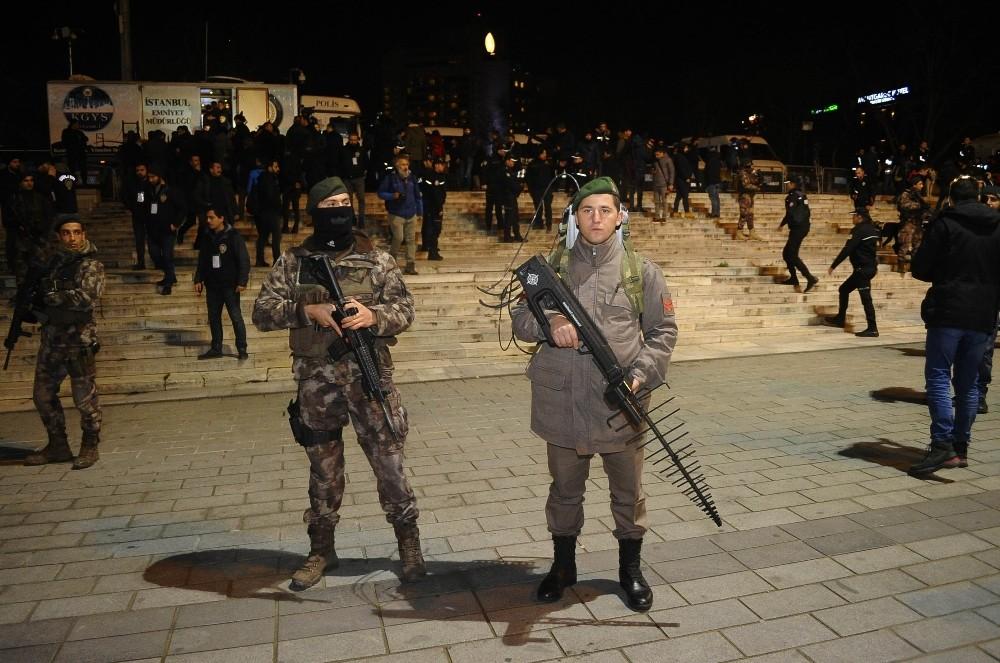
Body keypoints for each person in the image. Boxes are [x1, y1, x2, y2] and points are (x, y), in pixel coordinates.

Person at [511, 177, 678, 612]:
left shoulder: (642, 272)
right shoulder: (551, 268)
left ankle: (630, 569)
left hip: (620, 406)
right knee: (564, 491)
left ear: (621, 216)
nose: (597, 218)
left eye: (605, 210)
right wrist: (549, 323)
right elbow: (518, 319)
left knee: (628, 493)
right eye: (588, 211)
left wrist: (640, 376)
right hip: (562, 405)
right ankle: (563, 567)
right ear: (575, 217)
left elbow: (662, 332)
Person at [251, 176, 423, 590]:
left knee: (390, 465)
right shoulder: (293, 262)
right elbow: (261, 312)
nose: (340, 209)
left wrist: (373, 317)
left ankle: (409, 544)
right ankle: (321, 550)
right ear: (315, 211)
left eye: (346, 202)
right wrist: (307, 310)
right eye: (331, 203)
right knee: (323, 471)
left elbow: (405, 308)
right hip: (316, 383)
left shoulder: (377, 259)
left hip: (370, 378)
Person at [908, 177, 1000, 475]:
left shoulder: (945, 223)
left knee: (937, 376)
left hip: (948, 310)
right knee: (968, 382)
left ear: (951, 198)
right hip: (983, 312)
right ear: (980, 197)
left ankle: (941, 445)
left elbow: (921, 268)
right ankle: (961, 447)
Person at [24, 218, 105, 470]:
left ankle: (90, 446)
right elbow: (40, 296)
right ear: (59, 236)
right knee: (42, 395)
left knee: (85, 401)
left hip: (78, 341)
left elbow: (86, 298)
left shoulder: (91, 264)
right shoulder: (52, 264)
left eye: (76, 233)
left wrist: (51, 295)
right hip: (52, 341)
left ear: (83, 235)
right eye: (66, 233)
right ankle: (58, 445)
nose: (72, 238)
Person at [193, 207, 250, 360]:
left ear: (221, 218)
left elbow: (243, 259)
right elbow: (203, 260)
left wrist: (242, 281)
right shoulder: (206, 236)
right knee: (213, 317)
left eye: (212, 217)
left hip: (230, 285)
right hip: (212, 285)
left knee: (236, 317)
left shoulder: (233, 236)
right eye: (208, 218)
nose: (208, 220)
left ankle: (242, 348)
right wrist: (198, 279)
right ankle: (216, 348)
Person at [823, 208, 881, 337]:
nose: (852, 218)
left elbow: (848, 249)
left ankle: (872, 328)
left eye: (854, 216)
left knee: (866, 299)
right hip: (869, 267)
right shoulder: (872, 229)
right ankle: (840, 319)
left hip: (862, 270)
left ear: (859, 217)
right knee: (844, 289)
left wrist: (834, 265)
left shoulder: (858, 230)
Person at [976, 186, 1000, 414]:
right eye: (986, 199)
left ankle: (980, 393)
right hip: (972, 295)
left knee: (985, 349)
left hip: (991, 299)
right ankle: (967, 391)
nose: (989, 203)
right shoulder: (973, 227)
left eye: (994, 199)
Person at [377, 155, 423, 275]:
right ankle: (391, 262)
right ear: (397, 165)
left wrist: (420, 212)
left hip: (411, 214)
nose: (405, 167)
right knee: (398, 238)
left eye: (406, 164)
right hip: (396, 214)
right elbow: (380, 193)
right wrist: (392, 196)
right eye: (402, 164)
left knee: (411, 240)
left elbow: (418, 196)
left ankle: (410, 265)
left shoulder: (412, 177)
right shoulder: (391, 178)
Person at [143, 167, 184, 295]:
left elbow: (183, 208)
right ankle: (170, 276)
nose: (150, 180)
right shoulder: (147, 190)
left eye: (153, 177)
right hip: (152, 230)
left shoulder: (170, 191)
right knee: (154, 254)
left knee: (167, 256)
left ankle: (168, 284)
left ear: (160, 177)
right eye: (149, 177)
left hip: (167, 230)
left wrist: (175, 224)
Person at [778, 175, 818, 292]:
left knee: (791, 255)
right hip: (802, 227)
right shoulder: (801, 195)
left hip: (798, 228)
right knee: (787, 253)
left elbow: (790, 213)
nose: (787, 185)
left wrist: (782, 224)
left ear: (793, 184)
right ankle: (794, 278)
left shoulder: (792, 196)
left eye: (788, 183)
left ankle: (810, 278)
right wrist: (782, 224)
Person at [736, 162, 763, 240]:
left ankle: (752, 232)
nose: (753, 168)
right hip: (744, 196)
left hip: (750, 196)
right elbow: (746, 185)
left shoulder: (751, 174)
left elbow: (756, 182)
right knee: (744, 214)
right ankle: (739, 232)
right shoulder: (743, 173)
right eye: (751, 166)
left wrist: (759, 178)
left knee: (750, 215)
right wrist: (757, 188)